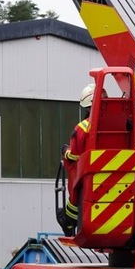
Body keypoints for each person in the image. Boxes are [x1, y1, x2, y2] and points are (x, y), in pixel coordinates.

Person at [57, 83, 96, 236]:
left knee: (75, 181)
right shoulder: (122, 124)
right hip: (120, 174)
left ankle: (69, 222)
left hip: (90, 177)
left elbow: (75, 154)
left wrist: (65, 151)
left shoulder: (83, 128)